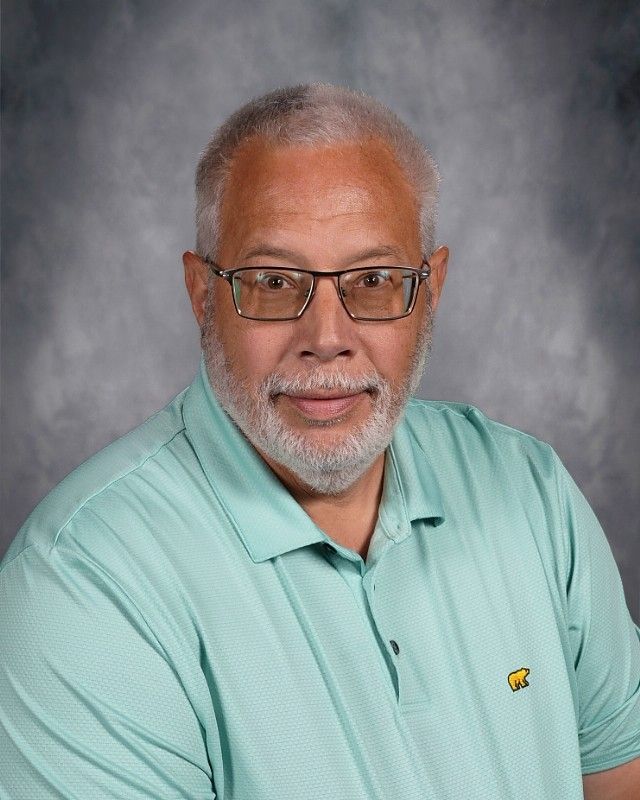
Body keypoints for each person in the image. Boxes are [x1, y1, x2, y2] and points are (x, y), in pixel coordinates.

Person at [1, 83, 638, 800]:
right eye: (274, 281)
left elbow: (620, 779)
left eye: (373, 280)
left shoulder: (530, 491)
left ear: (430, 290)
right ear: (202, 294)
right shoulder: (83, 584)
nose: (327, 339)